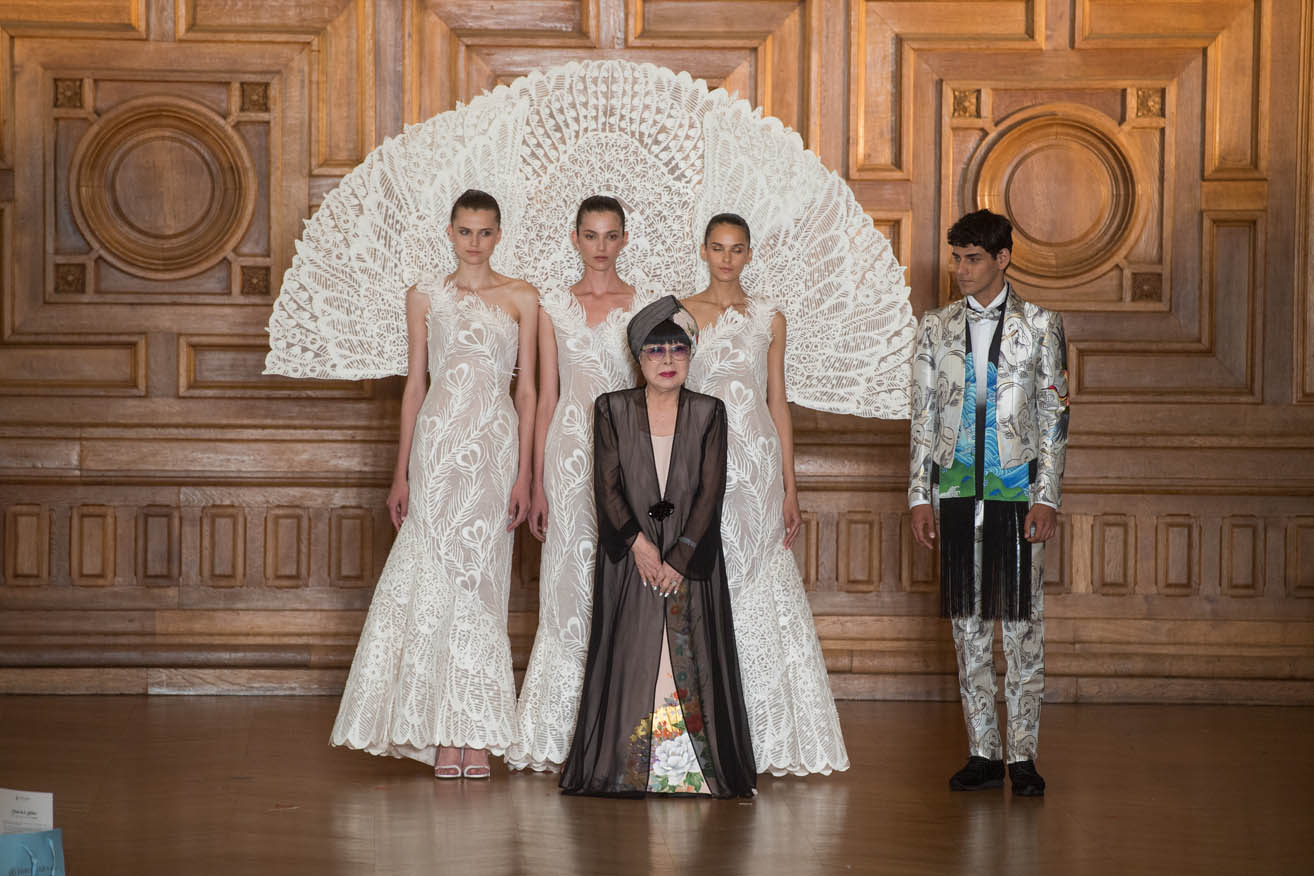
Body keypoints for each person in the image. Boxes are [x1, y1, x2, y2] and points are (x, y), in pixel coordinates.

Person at [330, 190, 539, 780]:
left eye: (485, 231)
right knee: (435, 580)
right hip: (439, 447)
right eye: (465, 231)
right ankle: (442, 732)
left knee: (482, 585)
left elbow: (526, 392)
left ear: (499, 235)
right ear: (449, 232)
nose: (474, 242)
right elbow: (415, 386)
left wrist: (526, 473)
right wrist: (401, 471)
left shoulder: (522, 297)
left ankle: (475, 732)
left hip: (494, 451)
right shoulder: (423, 295)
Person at [560, 296, 756, 798]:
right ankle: (632, 767)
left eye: (678, 349)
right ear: (638, 357)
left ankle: (686, 769)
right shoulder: (612, 409)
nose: (667, 360)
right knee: (634, 652)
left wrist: (680, 558)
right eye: (655, 350)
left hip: (690, 561)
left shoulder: (709, 412)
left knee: (689, 652)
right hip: (631, 559)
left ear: (690, 355)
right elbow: (606, 487)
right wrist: (641, 547)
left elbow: (711, 492)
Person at [908, 209, 1069, 797]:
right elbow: (923, 415)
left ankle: (1022, 756)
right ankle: (982, 751)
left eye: (973, 258)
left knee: (1022, 630)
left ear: (1003, 259)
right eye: (957, 258)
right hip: (955, 492)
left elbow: (1055, 416)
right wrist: (918, 495)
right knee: (967, 628)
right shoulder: (935, 326)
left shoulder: (1041, 324)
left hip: (1018, 492)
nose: (962, 269)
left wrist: (1047, 497)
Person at [681, 214, 849, 776]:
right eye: (718, 248)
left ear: (750, 254)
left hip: (756, 466)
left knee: (757, 582)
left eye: (737, 249)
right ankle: (706, 730)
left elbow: (778, 401)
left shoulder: (769, 316)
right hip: (701, 462)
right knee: (703, 578)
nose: (727, 259)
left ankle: (768, 731)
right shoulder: (682, 315)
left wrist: (789, 487)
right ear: (703, 251)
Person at [508, 196, 659, 772]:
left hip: (627, 454)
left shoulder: (643, 305)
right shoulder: (554, 306)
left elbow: (653, 390)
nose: (601, 246)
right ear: (575, 238)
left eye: (611, 235)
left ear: (624, 240)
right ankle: (559, 732)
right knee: (567, 584)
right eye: (591, 235)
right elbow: (546, 395)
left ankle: (621, 732)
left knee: (625, 583)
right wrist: (536, 481)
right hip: (568, 455)